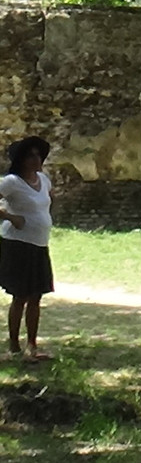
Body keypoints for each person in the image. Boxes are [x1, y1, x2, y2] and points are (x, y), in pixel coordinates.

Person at [0, 136, 54, 362]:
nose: (36, 159)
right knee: (20, 295)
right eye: (31, 155)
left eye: (38, 155)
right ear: (21, 160)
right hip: (18, 245)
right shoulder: (11, 182)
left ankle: (32, 345)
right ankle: (13, 346)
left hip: (39, 243)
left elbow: (47, 201)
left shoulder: (43, 179)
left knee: (36, 296)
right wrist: (11, 217)